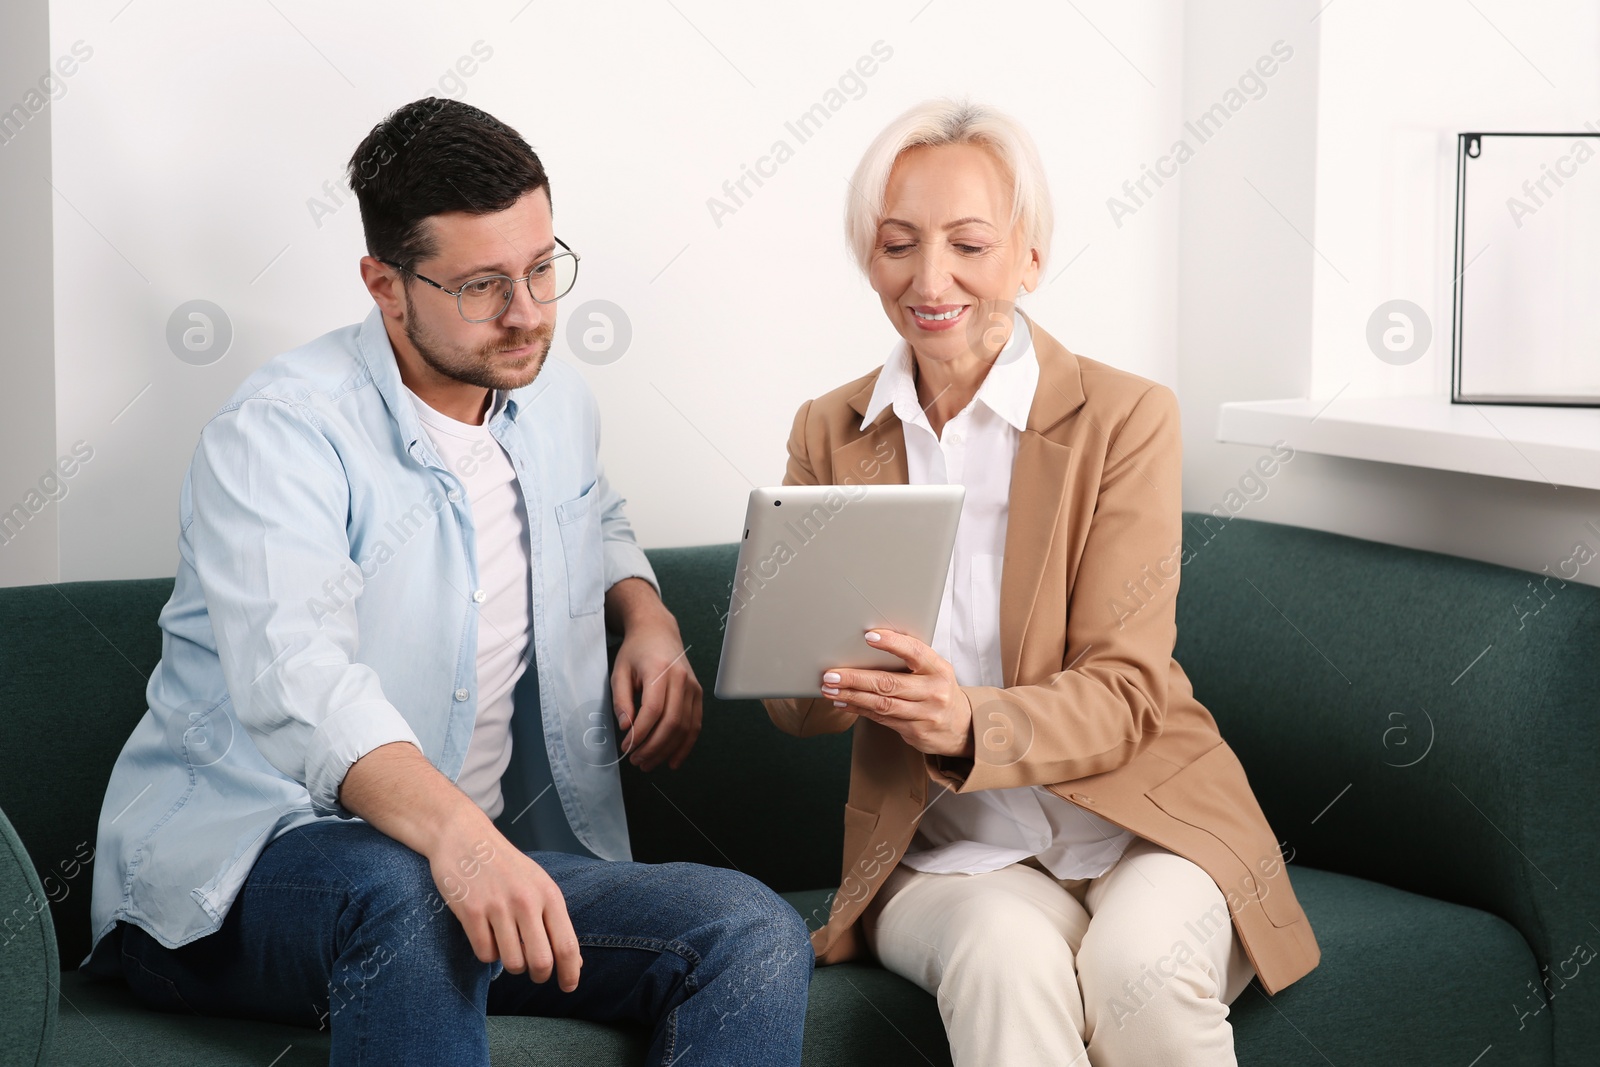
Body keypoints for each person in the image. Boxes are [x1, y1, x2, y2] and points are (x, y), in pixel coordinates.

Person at [79, 97, 812, 1067]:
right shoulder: (280, 434)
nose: (528, 314)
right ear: (385, 284)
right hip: (240, 877)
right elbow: (300, 682)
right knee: (411, 890)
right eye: (481, 286)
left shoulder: (549, 395)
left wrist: (645, 613)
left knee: (747, 926)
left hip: (471, 867)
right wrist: (463, 845)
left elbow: (593, 513)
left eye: (543, 269)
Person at [764, 98, 1319, 1066]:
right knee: (1005, 963)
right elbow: (793, 708)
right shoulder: (830, 431)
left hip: (1146, 823)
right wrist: (804, 662)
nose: (929, 279)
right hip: (946, 852)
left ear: (1028, 258)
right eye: (898, 244)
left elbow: (1126, 688)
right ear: (869, 257)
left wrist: (966, 722)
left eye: (968, 245)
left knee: (1136, 971)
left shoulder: (1123, 417)